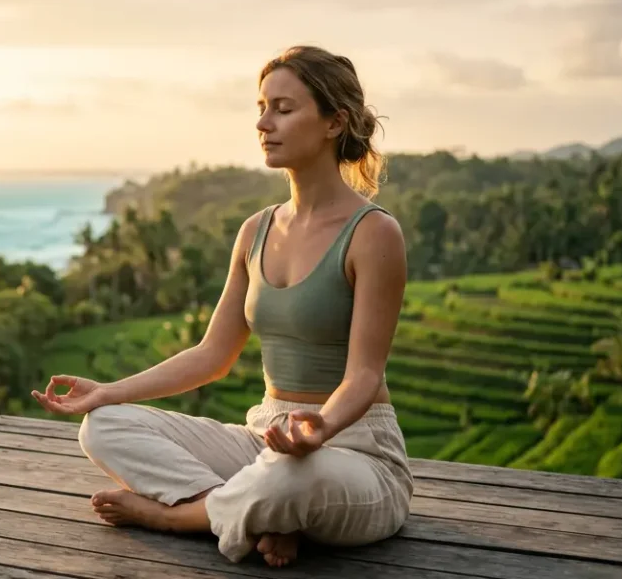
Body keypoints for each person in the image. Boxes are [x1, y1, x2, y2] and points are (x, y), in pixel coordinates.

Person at [31, 45, 411, 568]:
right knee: (103, 426)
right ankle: (260, 518)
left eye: (283, 108)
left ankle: (177, 516)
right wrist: (108, 393)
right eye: (261, 107)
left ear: (333, 122)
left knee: (287, 477)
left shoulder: (373, 233)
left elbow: (365, 375)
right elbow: (213, 354)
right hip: (266, 435)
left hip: (356, 451)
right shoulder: (256, 231)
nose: (263, 123)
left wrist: (319, 428)